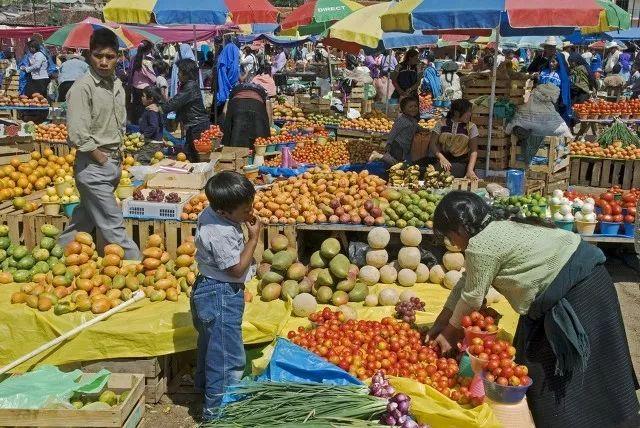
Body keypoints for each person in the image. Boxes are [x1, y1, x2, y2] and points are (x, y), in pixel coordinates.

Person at [427, 191, 640, 428]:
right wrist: (441, 321)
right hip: (592, 279)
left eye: (449, 237)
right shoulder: (498, 228)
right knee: (583, 364)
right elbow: (466, 284)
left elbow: (472, 298)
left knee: (566, 374)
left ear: (459, 230)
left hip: (577, 294)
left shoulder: (481, 246)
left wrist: (449, 332)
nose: (453, 244)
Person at [57, 28, 140, 260]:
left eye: (110, 57)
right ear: (88, 55)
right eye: (98, 55)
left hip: (112, 163)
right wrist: (99, 157)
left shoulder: (116, 85)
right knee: (113, 224)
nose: (104, 62)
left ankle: (56, 255)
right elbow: (77, 133)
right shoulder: (82, 87)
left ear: (118, 57)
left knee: (85, 218)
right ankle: (141, 265)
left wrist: (116, 156)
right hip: (93, 166)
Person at [193, 171, 261, 421]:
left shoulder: (213, 212)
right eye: (245, 210)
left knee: (211, 347)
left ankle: (204, 393)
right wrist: (253, 239)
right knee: (227, 358)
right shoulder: (218, 233)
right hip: (220, 294)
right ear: (224, 212)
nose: (250, 212)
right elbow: (236, 269)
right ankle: (217, 415)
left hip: (209, 289)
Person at [162, 59, 210, 162]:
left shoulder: (190, 86)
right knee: (191, 155)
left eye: (180, 72)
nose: (178, 74)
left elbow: (173, 104)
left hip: (197, 125)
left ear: (186, 74)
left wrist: (159, 104)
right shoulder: (188, 85)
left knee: (196, 157)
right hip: (194, 125)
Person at [430, 99, 479, 180]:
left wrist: (470, 170)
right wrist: (442, 158)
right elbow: (432, 144)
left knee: (446, 174)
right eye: (466, 112)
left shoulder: (471, 127)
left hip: (461, 162)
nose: (469, 114)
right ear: (456, 112)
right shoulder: (441, 123)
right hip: (443, 159)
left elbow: (474, 151)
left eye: (470, 112)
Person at [221, 82, 271, 149]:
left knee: (235, 135)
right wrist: (267, 127)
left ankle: (234, 155)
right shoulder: (264, 91)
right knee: (259, 139)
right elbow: (268, 112)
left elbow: (224, 111)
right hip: (257, 108)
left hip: (237, 107)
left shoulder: (233, 89)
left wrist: (226, 127)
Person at [381, 96, 428, 164]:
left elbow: (417, 127)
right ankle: (378, 156)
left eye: (415, 106)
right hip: (397, 145)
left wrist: (425, 130)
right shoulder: (401, 120)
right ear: (403, 109)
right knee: (395, 162)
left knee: (399, 162)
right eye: (410, 107)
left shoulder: (413, 120)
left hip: (405, 147)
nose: (413, 109)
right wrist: (388, 143)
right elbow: (393, 132)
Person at [129, 40, 156, 123]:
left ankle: (136, 125)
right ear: (148, 50)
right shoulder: (146, 62)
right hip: (145, 89)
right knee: (146, 109)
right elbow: (153, 78)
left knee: (137, 107)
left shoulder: (133, 58)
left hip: (135, 86)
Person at [137, 86, 165, 163]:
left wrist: (145, 135)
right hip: (156, 142)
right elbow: (161, 124)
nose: (141, 98)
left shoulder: (151, 111)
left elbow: (153, 126)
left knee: (142, 160)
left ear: (151, 99)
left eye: (143, 96)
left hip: (152, 144)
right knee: (154, 162)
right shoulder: (157, 109)